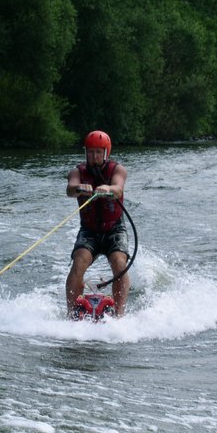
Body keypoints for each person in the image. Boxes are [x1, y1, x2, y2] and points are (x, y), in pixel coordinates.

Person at [65, 130, 130, 317]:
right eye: (91, 152)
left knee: (119, 263)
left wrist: (108, 188)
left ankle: (119, 314)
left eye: (98, 152)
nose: (94, 156)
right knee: (78, 263)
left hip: (114, 229)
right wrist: (78, 188)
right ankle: (72, 314)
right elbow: (70, 189)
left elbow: (118, 188)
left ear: (106, 153)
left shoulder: (118, 170)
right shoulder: (77, 172)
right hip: (89, 230)